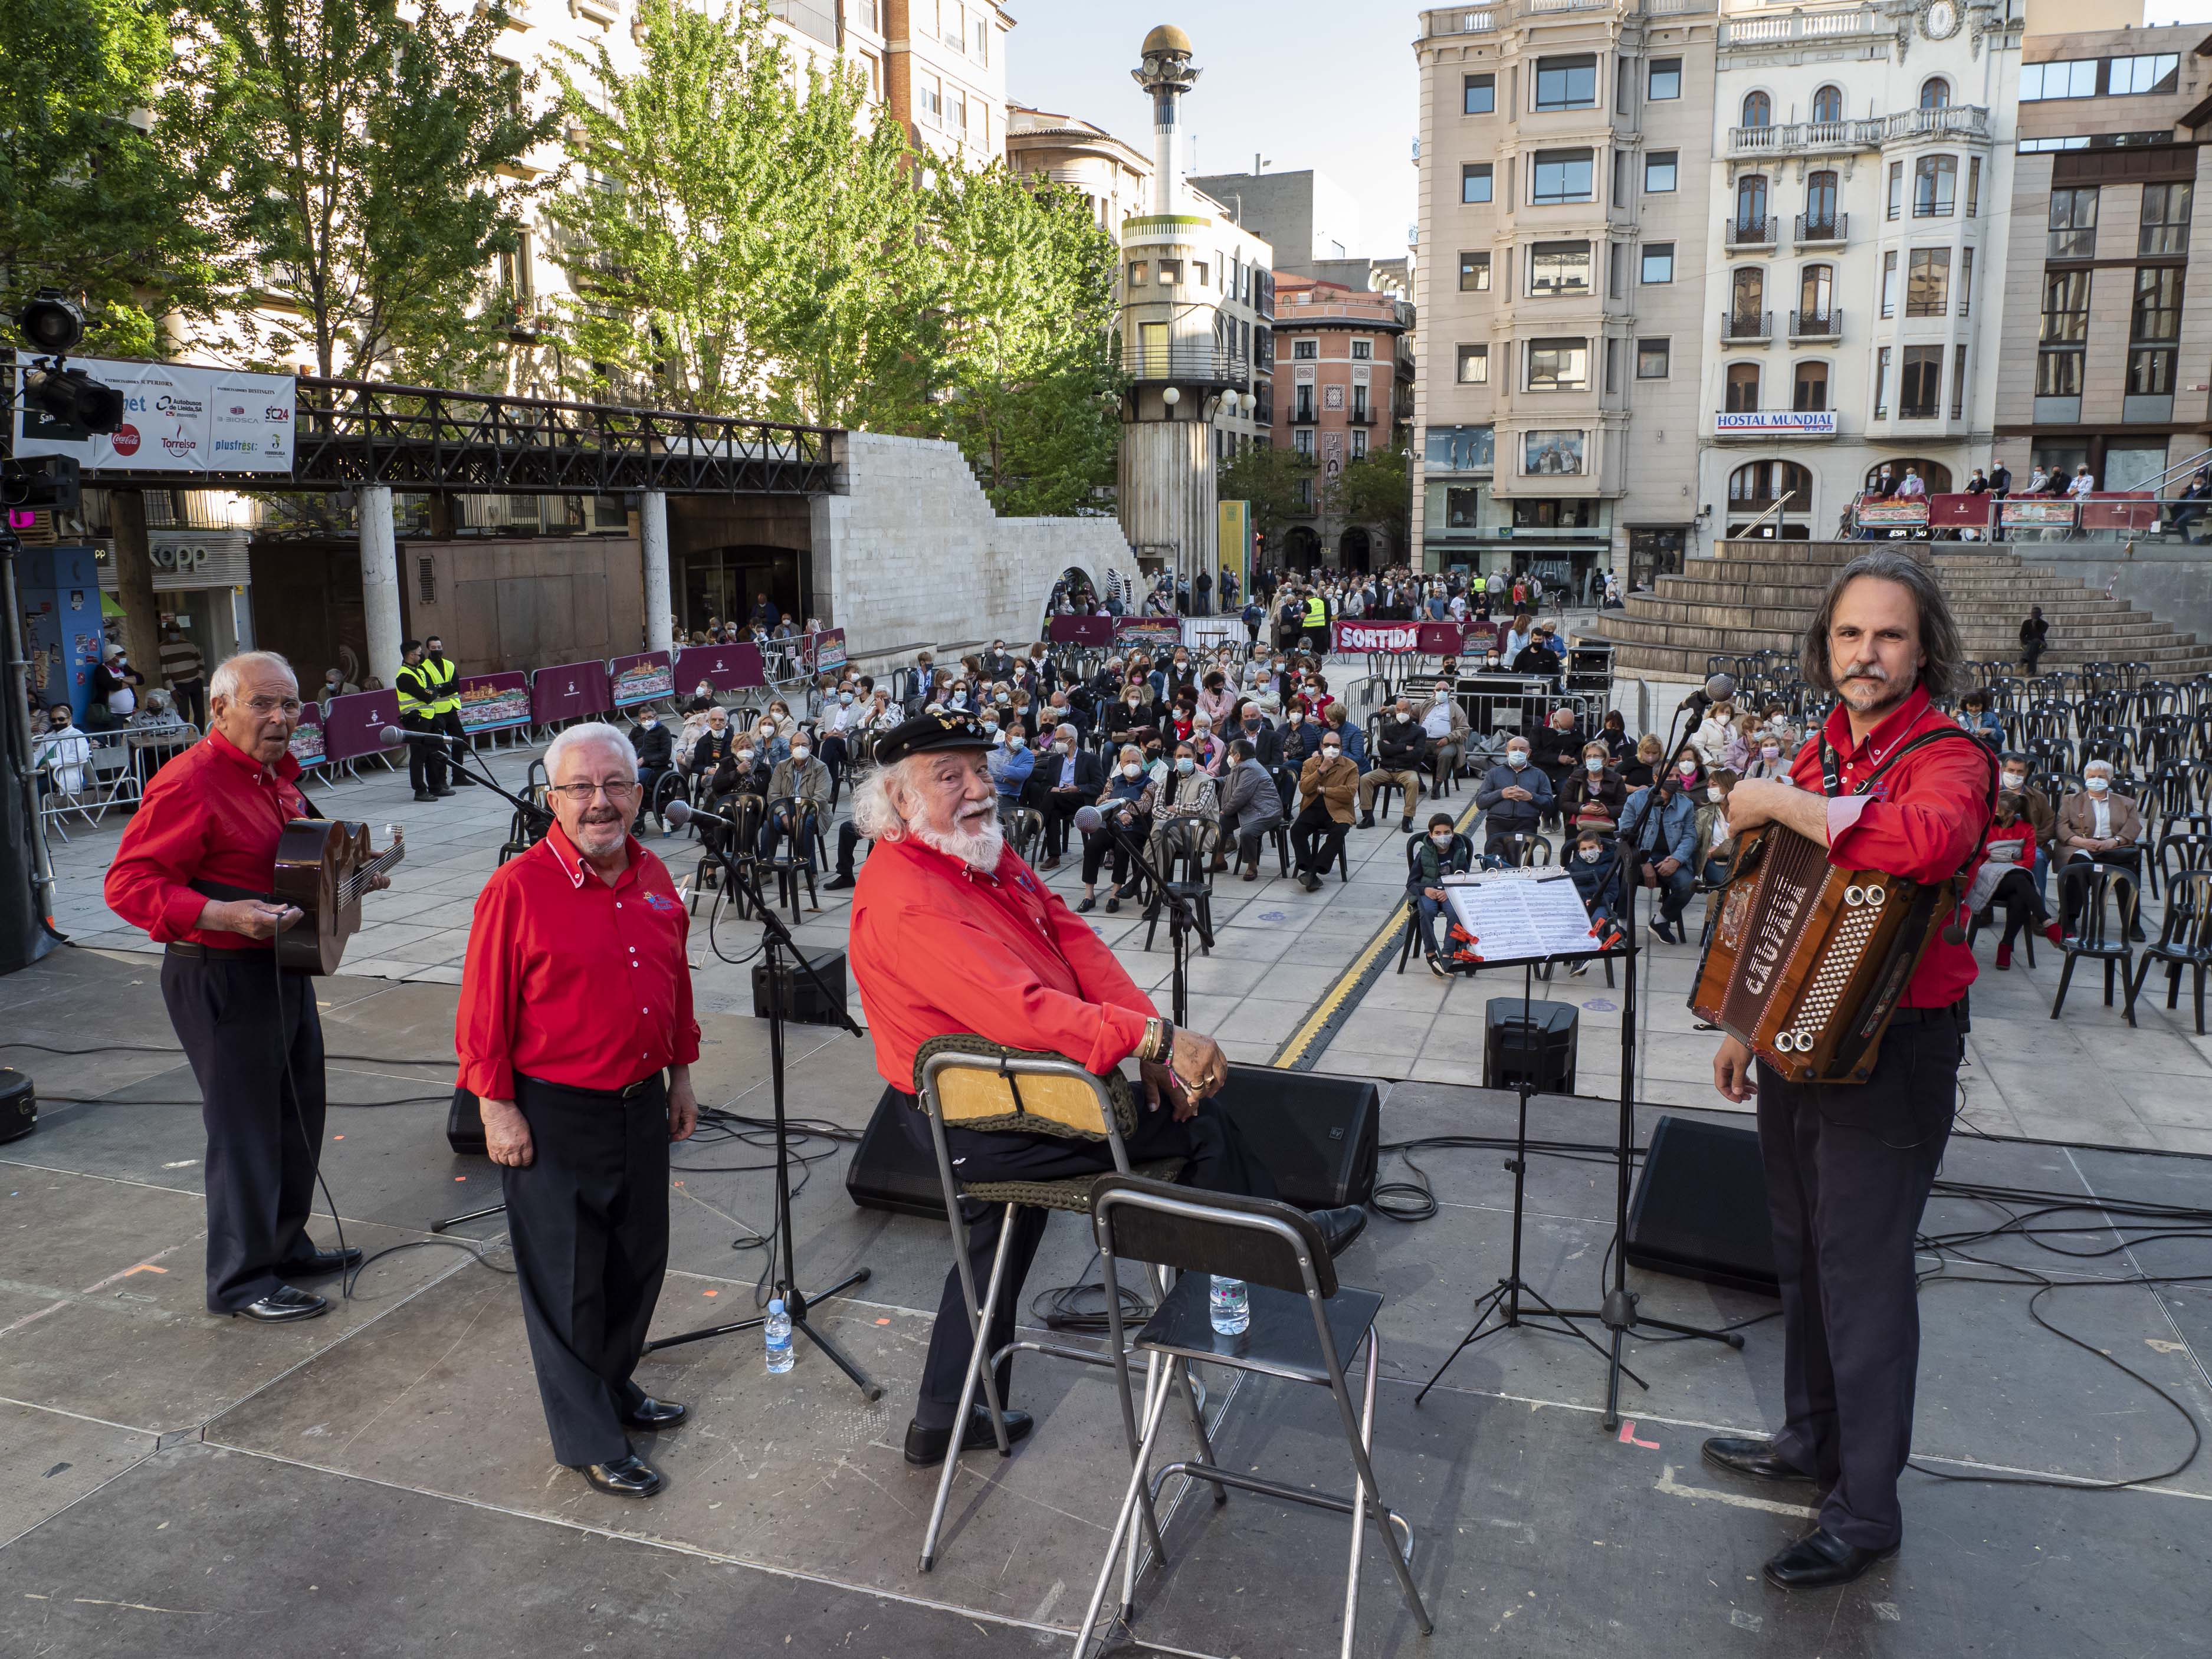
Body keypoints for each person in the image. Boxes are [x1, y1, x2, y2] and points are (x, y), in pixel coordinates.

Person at [844, 713, 1362, 1468]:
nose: (978, 788)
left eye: (979, 770)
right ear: (897, 800)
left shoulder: (972, 852)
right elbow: (1019, 1009)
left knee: (995, 1246)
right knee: (1200, 1125)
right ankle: (1272, 1260)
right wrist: (1155, 1044)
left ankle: (946, 1416)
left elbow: (1071, 935)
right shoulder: (909, 894)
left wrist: (1147, 1033)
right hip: (984, 1120)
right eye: (949, 776)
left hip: (1006, 1101)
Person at [1705, 549, 1994, 1591]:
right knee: (1801, 1253)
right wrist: (1743, 1022)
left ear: (1925, 651)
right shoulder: (1825, 751)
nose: (1866, 653)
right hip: (1800, 1037)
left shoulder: (1948, 752)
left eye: (1889, 635)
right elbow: (1788, 900)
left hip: (1898, 1051)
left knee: (1865, 1279)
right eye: (1849, 634)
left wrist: (1778, 803)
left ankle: (1867, 1507)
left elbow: (1925, 842)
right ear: (1824, 647)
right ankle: (1810, 1438)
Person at [458, 722, 698, 1500]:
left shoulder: (655, 873)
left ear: (638, 790)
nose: (601, 802)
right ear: (551, 799)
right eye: (581, 788)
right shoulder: (516, 889)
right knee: (568, 1283)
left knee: (638, 1261)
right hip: (554, 1112)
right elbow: (482, 1014)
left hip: (638, 1104)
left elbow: (674, 985)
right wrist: (497, 1110)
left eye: (616, 785)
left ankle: (613, 1382)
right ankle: (589, 1437)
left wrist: (681, 1078)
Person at [104, 652, 380, 1325]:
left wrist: (352, 877)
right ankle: (239, 1278)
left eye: (290, 704)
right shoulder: (190, 782)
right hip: (220, 972)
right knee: (246, 1128)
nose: (282, 717)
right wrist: (222, 914)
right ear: (219, 709)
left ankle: (283, 1244)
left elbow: (297, 860)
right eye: (264, 703)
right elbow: (128, 885)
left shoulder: (274, 779)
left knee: (296, 1111)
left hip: (280, 966)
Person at [2056, 758, 2145, 941]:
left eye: (2101, 777)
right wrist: (2080, 841)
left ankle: (2132, 922)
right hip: (2082, 847)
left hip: (2113, 848)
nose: (2096, 780)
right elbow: (2061, 827)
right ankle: (2069, 918)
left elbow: (2133, 827)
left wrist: (2114, 841)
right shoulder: (2071, 801)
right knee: (2078, 867)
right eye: (2092, 776)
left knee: (2128, 873)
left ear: (2110, 780)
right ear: (2085, 778)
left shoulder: (2126, 803)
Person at [1967, 792, 2050, 970]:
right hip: (1987, 879)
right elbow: (1978, 857)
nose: (1994, 812)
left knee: (2019, 894)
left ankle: (2006, 944)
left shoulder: (2026, 829)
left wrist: (2000, 860)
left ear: (2010, 813)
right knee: (2021, 881)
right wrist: (2010, 859)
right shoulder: (1986, 827)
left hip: (2011, 880)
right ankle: (2045, 919)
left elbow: (2028, 862)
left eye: (1998, 810)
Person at [1619, 758, 1700, 942]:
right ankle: (1622, 925)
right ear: (1656, 777)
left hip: (1669, 857)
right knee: (1626, 878)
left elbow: (1690, 837)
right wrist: (1644, 862)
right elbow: (1626, 836)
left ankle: (1661, 921)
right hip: (1639, 856)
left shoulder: (1685, 804)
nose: (1674, 780)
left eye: (1677, 776)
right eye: (1669, 776)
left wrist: (1677, 860)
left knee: (1689, 885)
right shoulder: (1636, 800)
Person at [1291, 729, 1360, 892]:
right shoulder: (1310, 764)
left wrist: (1325, 790)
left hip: (1338, 811)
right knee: (1296, 831)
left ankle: (1313, 871)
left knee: (1338, 832)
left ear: (1341, 748)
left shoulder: (1350, 767)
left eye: (1335, 746)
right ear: (1321, 746)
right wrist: (1320, 771)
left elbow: (1349, 793)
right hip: (1312, 808)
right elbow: (1305, 788)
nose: (1331, 748)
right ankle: (1310, 871)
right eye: (1327, 745)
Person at [1408, 812, 1473, 977]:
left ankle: (1447, 953)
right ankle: (1431, 954)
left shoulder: (1459, 851)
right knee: (1426, 911)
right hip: (1428, 893)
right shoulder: (1424, 853)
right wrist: (1426, 890)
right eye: (1437, 833)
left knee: (1455, 912)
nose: (1442, 836)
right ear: (1431, 835)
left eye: (1446, 833)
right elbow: (1411, 883)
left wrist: (1449, 890)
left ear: (1452, 834)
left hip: (1450, 892)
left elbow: (1465, 878)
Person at [762, 732, 832, 872]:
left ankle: (809, 871)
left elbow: (821, 797)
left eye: (804, 745)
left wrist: (800, 815)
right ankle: (765, 868)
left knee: (805, 824)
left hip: (811, 811)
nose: (800, 748)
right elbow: (773, 795)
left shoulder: (820, 767)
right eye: (797, 745)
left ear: (811, 748)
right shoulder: (782, 767)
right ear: (790, 748)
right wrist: (783, 815)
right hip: (785, 809)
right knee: (769, 824)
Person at [1038, 722, 1104, 869]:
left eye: (1060, 739)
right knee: (1053, 809)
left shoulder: (1090, 759)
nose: (1057, 743)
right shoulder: (1055, 760)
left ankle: (1034, 828)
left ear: (1071, 740)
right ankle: (1054, 856)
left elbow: (1099, 786)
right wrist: (1052, 788)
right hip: (1058, 799)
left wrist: (1078, 789)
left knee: (1052, 800)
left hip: (1080, 799)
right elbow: (1044, 785)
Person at [1475, 734, 1553, 858]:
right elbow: (1480, 802)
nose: (1518, 752)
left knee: (1514, 850)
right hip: (1497, 822)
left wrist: (1531, 797)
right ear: (1507, 751)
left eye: (1522, 750)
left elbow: (1549, 805)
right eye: (1514, 749)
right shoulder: (1494, 773)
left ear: (1529, 753)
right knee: (1496, 854)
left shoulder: (1539, 775)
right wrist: (1501, 794)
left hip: (1526, 822)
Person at [1217, 737, 1282, 881]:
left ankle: (1252, 867)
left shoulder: (1251, 769)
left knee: (1247, 833)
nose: (1229, 756)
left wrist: (1226, 810)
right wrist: (1212, 781)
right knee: (1221, 823)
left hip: (1266, 811)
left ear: (1238, 756)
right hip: (1250, 808)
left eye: (1230, 753)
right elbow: (1228, 780)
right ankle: (1219, 861)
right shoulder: (1240, 767)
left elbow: (1240, 795)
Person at [1360, 698, 1429, 832]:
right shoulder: (1387, 728)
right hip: (1386, 768)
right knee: (1365, 779)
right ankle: (1368, 816)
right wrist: (1404, 747)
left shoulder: (1420, 731)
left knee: (1413, 782)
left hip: (1406, 769)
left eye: (1404, 710)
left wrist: (1393, 750)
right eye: (1398, 710)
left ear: (1410, 711)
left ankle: (1407, 818)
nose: (1401, 713)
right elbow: (1383, 750)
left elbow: (1418, 755)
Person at [393, 639, 449, 801]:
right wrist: (431, 693)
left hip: (429, 717)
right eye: (420, 653)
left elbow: (432, 689)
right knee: (419, 756)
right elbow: (426, 696)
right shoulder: (404, 676)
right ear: (411, 655)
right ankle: (420, 790)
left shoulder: (420, 671)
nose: (422, 655)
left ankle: (436, 787)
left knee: (433, 753)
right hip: (416, 719)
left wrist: (431, 692)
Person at [420, 634, 471, 786]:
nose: (437, 650)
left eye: (439, 647)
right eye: (434, 648)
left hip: (451, 709)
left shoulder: (449, 664)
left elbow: (456, 686)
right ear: (428, 649)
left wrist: (439, 688)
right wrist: (443, 687)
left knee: (459, 741)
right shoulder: (424, 668)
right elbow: (430, 690)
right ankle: (441, 780)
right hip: (436, 712)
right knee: (439, 746)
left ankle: (459, 776)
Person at [1561, 740, 1626, 834]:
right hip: (1579, 827)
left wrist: (1607, 811)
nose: (1592, 759)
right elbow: (1563, 803)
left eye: (1596, 756)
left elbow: (1623, 807)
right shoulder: (1577, 777)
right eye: (1589, 757)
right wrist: (1582, 809)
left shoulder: (1616, 779)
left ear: (1604, 760)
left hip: (1606, 827)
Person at [32, 702, 92, 801]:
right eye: (53, 720)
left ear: (70, 719)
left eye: (61, 719)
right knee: (22, 786)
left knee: (34, 789)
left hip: (62, 774)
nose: (57, 722)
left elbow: (79, 756)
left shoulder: (77, 735)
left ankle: (36, 816)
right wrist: (30, 767)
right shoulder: (48, 736)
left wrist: (50, 763)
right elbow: (38, 756)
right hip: (42, 772)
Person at [159, 616, 208, 730]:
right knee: (183, 714)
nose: (174, 633)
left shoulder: (188, 645)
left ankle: (199, 736)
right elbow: (164, 670)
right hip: (179, 685)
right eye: (172, 631)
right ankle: (185, 738)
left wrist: (200, 678)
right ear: (167, 632)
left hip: (195, 681)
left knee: (200, 712)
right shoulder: (162, 648)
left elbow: (200, 661)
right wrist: (172, 689)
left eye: (176, 631)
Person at [630, 707, 674, 832]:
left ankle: (638, 814)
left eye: (649, 718)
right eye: (643, 719)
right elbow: (627, 746)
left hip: (656, 767)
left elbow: (665, 754)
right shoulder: (636, 731)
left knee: (637, 778)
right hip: (635, 765)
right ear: (640, 720)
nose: (647, 721)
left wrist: (645, 759)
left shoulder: (663, 731)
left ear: (656, 718)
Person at [87, 643, 143, 730]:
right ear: (111, 658)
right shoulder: (101, 669)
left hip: (130, 713)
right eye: (119, 656)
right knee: (117, 740)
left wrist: (121, 679)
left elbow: (140, 680)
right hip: (113, 715)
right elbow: (113, 686)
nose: (122, 658)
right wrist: (131, 681)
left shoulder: (124, 668)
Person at [2018, 606, 2049, 675]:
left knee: (2035, 642)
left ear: (2041, 615)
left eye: (2037, 613)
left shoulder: (2045, 624)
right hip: (2029, 644)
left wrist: (2034, 626)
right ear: (2031, 614)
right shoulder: (2026, 623)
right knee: (2033, 650)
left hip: (2041, 644)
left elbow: (2039, 636)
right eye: (2033, 613)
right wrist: (2024, 643)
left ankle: (2024, 659)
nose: (2034, 615)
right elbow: (2022, 635)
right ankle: (2031, 672)